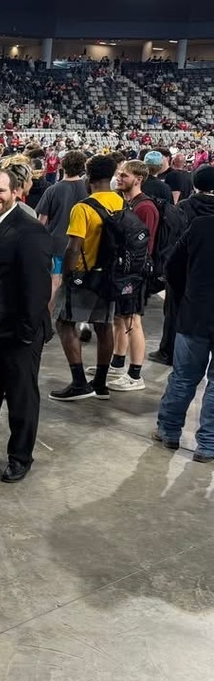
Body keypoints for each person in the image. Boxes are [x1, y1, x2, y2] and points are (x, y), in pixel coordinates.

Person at [0, 168, 51, 483]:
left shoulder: (29, 231)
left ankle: (20, 456)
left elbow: (37, 289)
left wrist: (26, 335)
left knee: (20, 397)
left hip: (18, 333)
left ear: (15, 192)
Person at [51, 155, 122, 402]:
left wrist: (67, 274)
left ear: (88, 177)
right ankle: (100, 383)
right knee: (105, 325)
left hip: (85, 273)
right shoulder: (121, 201)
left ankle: (79, 381)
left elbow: (73, 246)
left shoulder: (83, 207)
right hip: (111, 274)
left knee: (64, 322)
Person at [153, 206, 214, 463]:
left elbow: (173, 266)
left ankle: (168, 431)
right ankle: (208, 445)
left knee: (183, 378)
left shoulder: (201, 226)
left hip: (195, 316)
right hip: (195, 315)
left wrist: (185, 296)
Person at [104, 160, 159, 392]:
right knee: (120, 318)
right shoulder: (127, 202)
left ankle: (135, 374)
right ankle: (117, 363)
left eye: (124, 175)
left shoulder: (144, 207)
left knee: (132, 321)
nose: (119, 178)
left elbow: (143, 245)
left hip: (135, 274)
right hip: (124, 271)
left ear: (138, 179)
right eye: (118, 174)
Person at [36, 150, 88, 313]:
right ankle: (81, 322)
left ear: (61, 165)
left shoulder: (52, 190)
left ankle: (45, 318)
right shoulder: (88, 190)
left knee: (55, 281)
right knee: (81, 282)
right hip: (82, 244)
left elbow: (41, 222)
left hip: (57, 243)